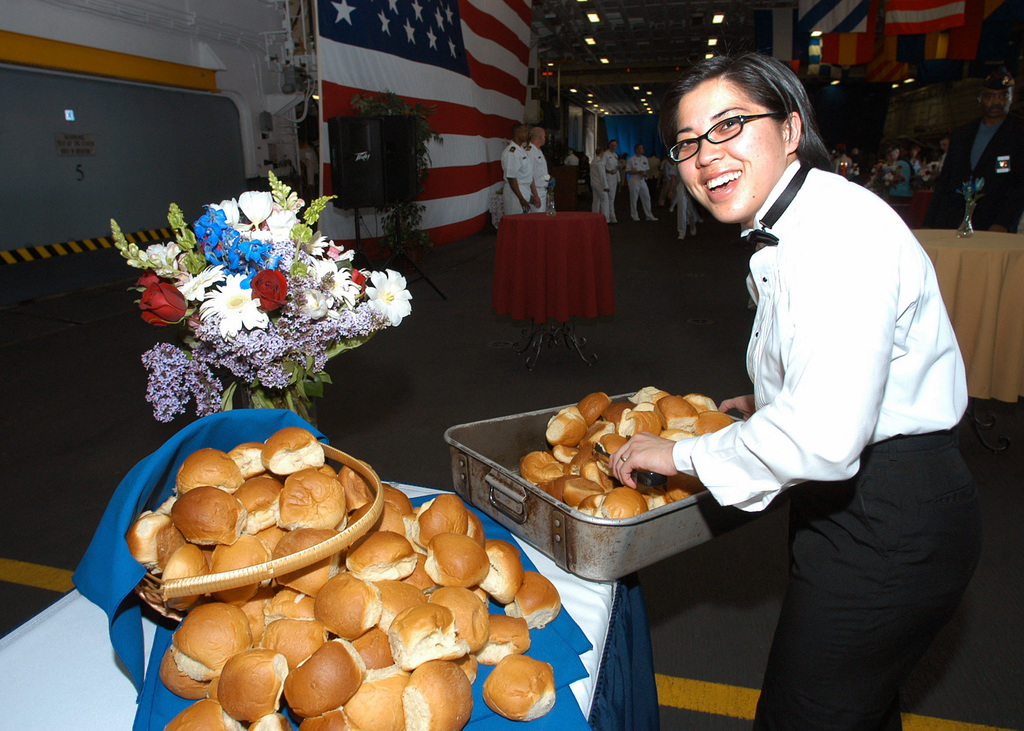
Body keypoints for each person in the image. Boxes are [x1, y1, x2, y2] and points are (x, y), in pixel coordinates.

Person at [613, 52, 980, 730]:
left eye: (729, 126)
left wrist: (679, 456)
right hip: (857, 506)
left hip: (889, 520)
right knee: (858, 709)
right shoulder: (797, 224)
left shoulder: (835, 235)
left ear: (789, 128)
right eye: (688, 142)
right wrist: (767, 403)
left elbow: (825, 437)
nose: (705, 156)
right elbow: (846, 371)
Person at [924, 68, 1024, 232]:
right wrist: (929, 222)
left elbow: (1020, 186)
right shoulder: (962, 134)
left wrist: (1004, 223)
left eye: (1004, 95)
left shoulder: (1019, 133)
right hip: (951, 219)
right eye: (990, 96)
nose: (997, 101)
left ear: (1011, 98)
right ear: (980, 98)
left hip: (993, 222)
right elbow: (945, 181)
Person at [501, 123, 537, 217]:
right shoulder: (512, 152)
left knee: (524, 224)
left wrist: (529, 195)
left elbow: (524, 173)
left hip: (524, 190)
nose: (527, 134)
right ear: (517, 133)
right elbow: (511, 177)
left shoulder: (521, 150)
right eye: (524, 132)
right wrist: (521, 199)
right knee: (515, 222)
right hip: (515, 194)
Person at [626, 143, 659, 221]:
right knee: (634, 198)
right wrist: (637, 172)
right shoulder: (631, 159)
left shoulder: (644, 159)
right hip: (634, 179)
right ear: (637, 149)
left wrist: (646, 174)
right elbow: (627, 170)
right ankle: (634, 215)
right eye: (640, 148)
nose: (642, 149)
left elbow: (647, 168)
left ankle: (649, 215)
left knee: (646, 197)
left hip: (642, 180)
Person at [527, 126, 550, 213]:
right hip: (536, 190)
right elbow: (530, 175)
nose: (545, 139)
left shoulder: (539, 151)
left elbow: (542, 172)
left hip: (543, 190)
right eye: (544, 137)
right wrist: (536, 196)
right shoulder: (530, 152)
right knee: (536, 220)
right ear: (540, 137)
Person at [600, 140, 621, 223]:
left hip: (614, 177)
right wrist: (608, 172)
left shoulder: (615, 155)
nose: (613, 147)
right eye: (612, 145)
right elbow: (602, 166)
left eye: (615, 145)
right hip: (608, 176)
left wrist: (619, 179)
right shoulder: (606, 154)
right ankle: (609, 216)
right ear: (609, 146)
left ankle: (611, 216)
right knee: (608, 198)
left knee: (612, 197)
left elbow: (617, 167)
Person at [589, 144, 611, 222]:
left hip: (594, 184)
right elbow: (602, 175)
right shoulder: (600, 162)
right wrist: (606, 186)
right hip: (600, 185)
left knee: (595, 201)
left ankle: (594, 217)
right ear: (602, 152)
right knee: (604, 201)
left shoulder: (593, 161)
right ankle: (605, 219)